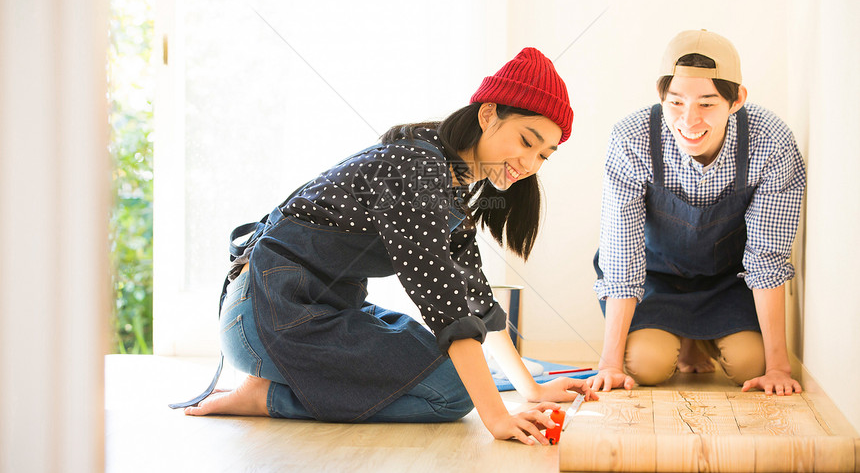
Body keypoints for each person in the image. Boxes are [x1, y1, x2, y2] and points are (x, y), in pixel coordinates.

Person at [179, 48, 596, 445]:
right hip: (268, 314)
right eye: (527, 142)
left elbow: (474, 298)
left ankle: (274, 384)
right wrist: (497, 418)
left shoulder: (451, 182)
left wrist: (531, 389)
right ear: (489, 115)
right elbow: (446, 306)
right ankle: (265, 397)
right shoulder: (415, 169)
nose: (530, 165)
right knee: (452, 394)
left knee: (456, 372)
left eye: (544, 155)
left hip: (325, 311)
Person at [589, 29, 805, 396]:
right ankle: (680, 339)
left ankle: (699, 341)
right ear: (660, 96)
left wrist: (779, 368)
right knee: (647, 366)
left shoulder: (771, 142)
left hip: (729, 281)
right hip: (656, 280)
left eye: (707, 104)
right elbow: (621, 255)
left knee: (751, 365)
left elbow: (767, 257)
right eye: (675, 103)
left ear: (736, 100)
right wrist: (609, 364)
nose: (689, 121)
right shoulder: (632, 139)